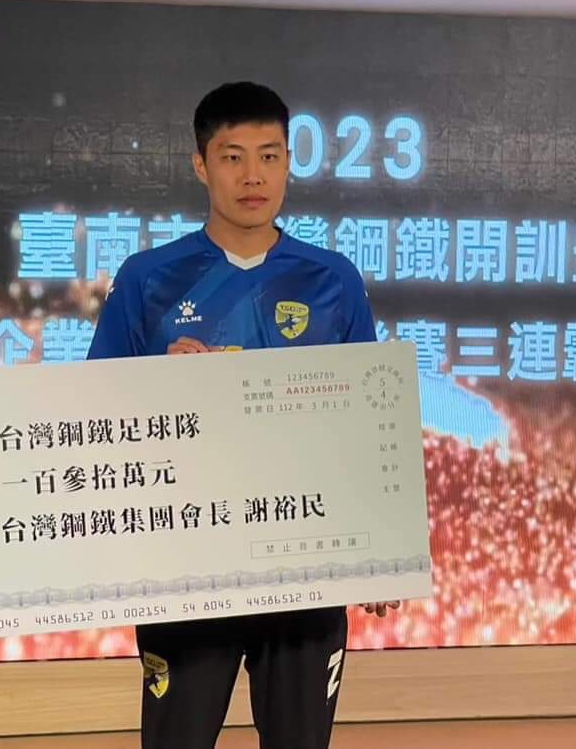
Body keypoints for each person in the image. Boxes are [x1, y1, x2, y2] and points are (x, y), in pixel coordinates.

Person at [87, 82, 400, 749]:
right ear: (201, 165)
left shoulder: (332, 278)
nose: (252, 175)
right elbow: (95, 409)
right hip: (186, 560)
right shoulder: (148, 277)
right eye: (232, 157)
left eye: (269, 155)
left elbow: (370, 420)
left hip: (307, 563)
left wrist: (383, 551)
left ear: (289, 162)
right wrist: (158, 383)